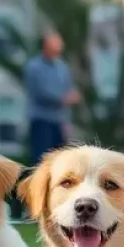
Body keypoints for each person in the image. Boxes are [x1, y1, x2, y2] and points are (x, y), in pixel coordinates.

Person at [23, 30, 80, 164]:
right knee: (42, 162)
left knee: (59, 161)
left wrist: (67, 119)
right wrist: (63, 98)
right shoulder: (34, 67)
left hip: (59, 122)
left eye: (59, 45)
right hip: (41, 121)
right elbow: (41, 92)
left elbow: (68, 90)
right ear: (46, 45)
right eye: (55, 44)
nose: (58, 48)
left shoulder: (63, 68)